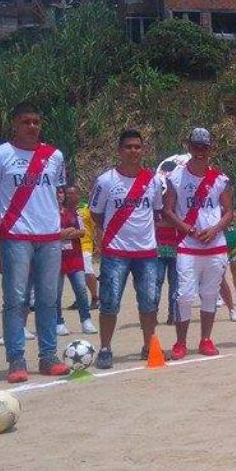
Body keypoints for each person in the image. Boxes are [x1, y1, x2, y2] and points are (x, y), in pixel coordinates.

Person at [0, 102, 70, 382]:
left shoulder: (54, 155)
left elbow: (58, 191)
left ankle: (48, 355)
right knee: (16, 299)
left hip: (49, 236)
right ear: (15, 125)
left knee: (48, 298)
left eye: (36, 122)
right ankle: (16, 358)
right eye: (25, 122)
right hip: (16, 236)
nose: (32, 126)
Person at [89, 129, 164, 369]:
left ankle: (149, 346)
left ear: (143, 150)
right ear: (120, 151)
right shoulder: (105, 181)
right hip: (116, 252)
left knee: (150, 302)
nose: (133, 151)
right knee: (109, 302)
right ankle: (105, 348)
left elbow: (156, 212)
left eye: (137, 147)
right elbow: (96, 214)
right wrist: (114, 233)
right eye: (129, 147)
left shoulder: (153, 181)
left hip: (146, 252)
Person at [161, 127, 233, 358]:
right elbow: (167, 210)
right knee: (184, 295)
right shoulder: (175, 177)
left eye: (205, 147)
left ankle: (206, 339)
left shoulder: (221, 179)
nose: (200, 151)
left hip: (215, 245)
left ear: (211, 149)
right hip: (188, 245)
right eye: (196, 146)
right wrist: (188, 229)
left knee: (210, 294)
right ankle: (180, 342)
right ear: (189, 147)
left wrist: (215, 229)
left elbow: (229, 211)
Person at [57, 186, 96, 336]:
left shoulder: (74, 212)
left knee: (80, 288)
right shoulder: (48, 213)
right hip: (56, 257)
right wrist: (61, 233)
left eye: (62, 192)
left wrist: (66, 233)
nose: (60, 195)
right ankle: (58, 322)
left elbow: (82, 231)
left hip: (74, 256)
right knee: (56, 292)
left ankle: (86, 320)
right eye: (58, 192)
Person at [155, 157, 181, 325]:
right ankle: (154, 314)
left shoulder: (178, 196)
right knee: (157, 282)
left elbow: (177, 220)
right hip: (159, 246)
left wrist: (163, 223)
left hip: (174, 245)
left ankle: (173, 314)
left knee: (174, 284)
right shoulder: (156, 194)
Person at [78, 199, 100, 310]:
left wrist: (98, 244)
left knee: (87, 271)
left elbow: (97, 226)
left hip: (85, 244)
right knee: (75, 274)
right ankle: (80, 298)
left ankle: (95, 297)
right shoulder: (63, 208)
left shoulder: (87, 208)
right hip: (70, 246)